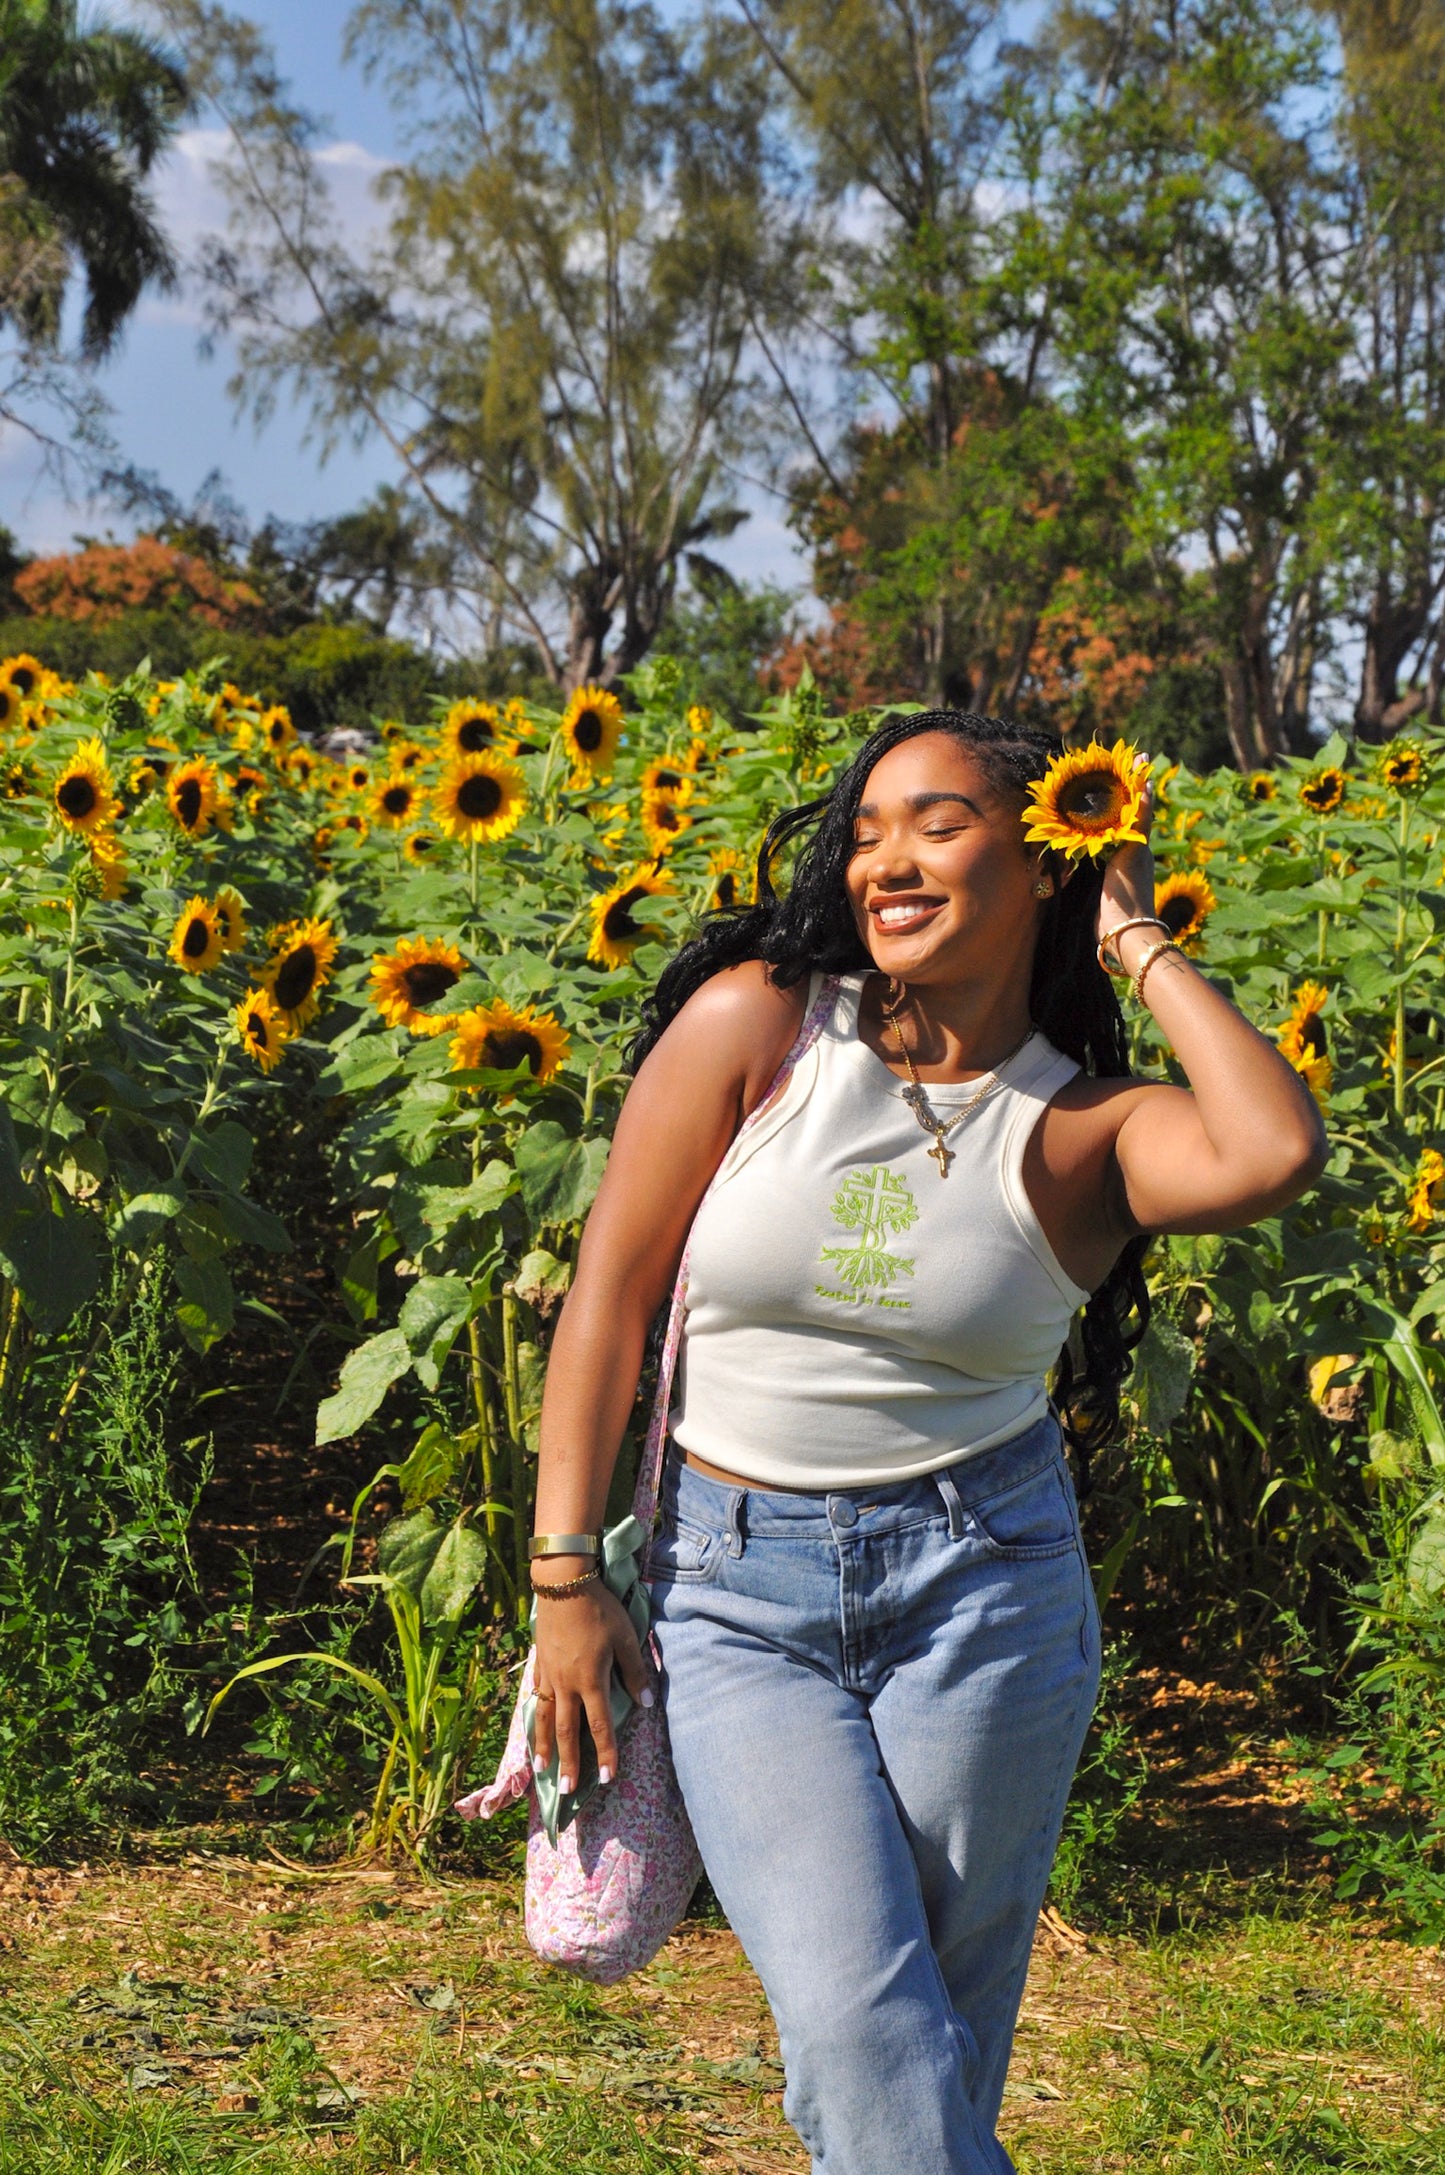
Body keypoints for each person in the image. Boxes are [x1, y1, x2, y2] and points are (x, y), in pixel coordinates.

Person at [526, 710, 1326, 2174]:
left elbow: (1274, 1150)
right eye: (869, 827)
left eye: (938, 823)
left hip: (987, 1591)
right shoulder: (763, 1025)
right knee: (854, 2025)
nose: (885, 859)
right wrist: (564, 1578)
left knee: (936, 2035)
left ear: (1043, 860)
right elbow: (610, 1298)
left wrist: (1134, 937)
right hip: (734, 1590)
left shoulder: (1087, 1128)